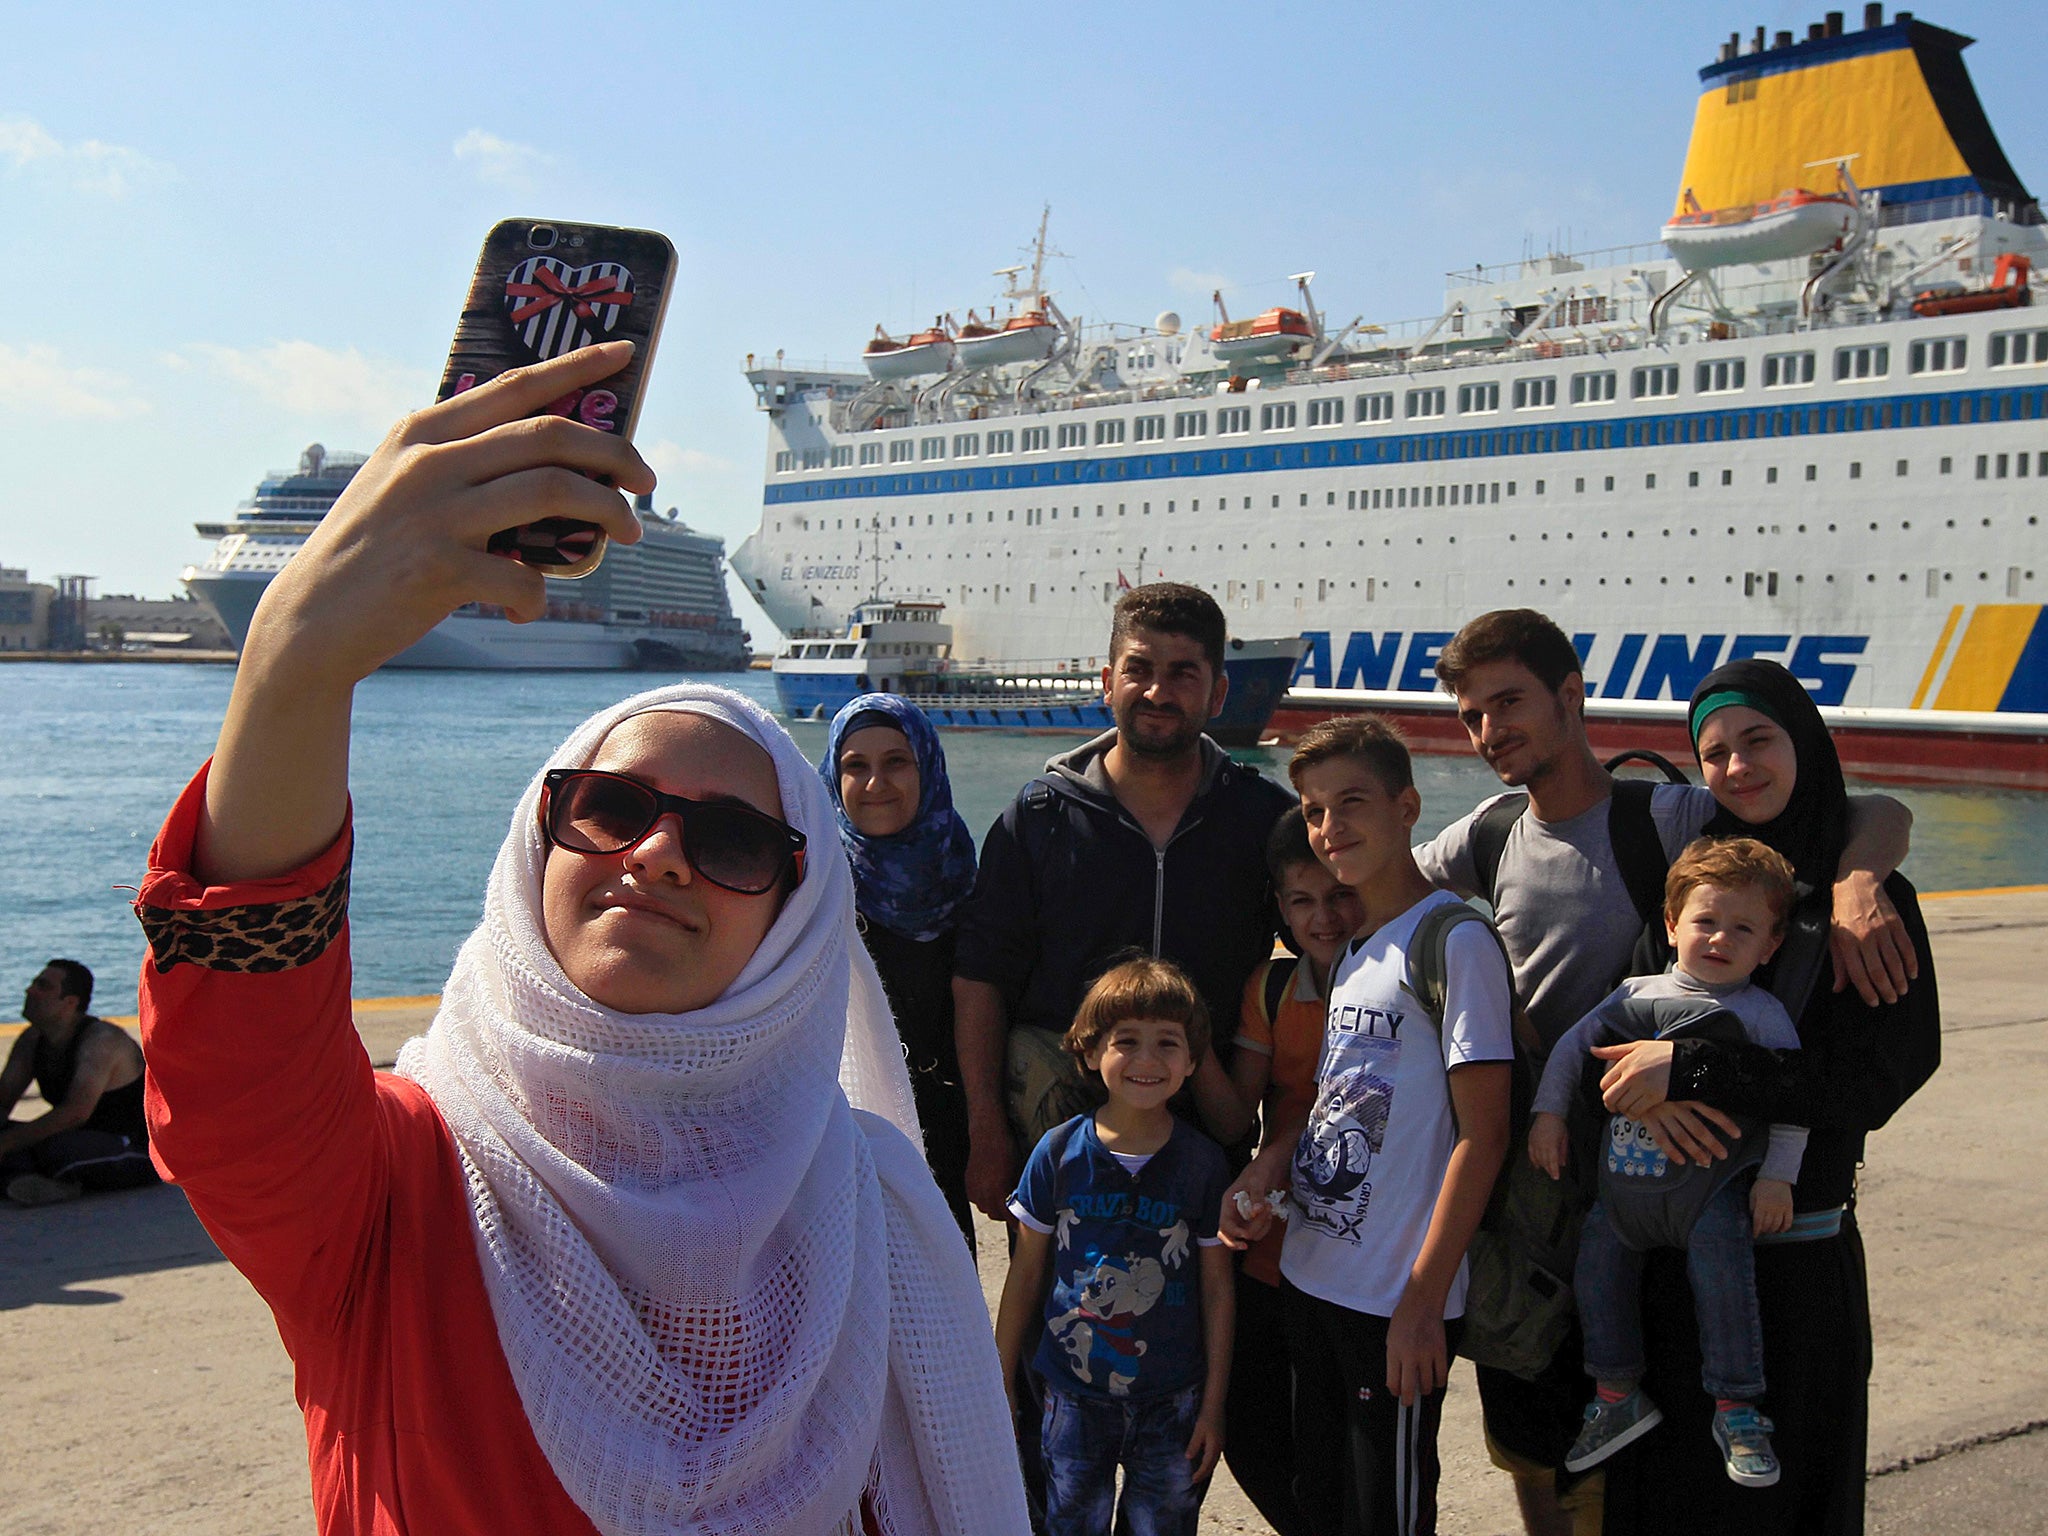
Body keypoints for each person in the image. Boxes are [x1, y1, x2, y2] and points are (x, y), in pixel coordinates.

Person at [134, 343, 1028, 1536]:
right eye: (608, 808)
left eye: (731, 840)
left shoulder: (871, 1205)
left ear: (798, 916)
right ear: (535, 844)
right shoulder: (392, 1193)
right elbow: (237, 1075)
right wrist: (294, 663)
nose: (655, 855)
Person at [1415, 609, 1915, 1536]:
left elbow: (1857, 808)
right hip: (1543, 1178)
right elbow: (1367, 887)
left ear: (1572, 694)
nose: (1490, 731)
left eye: (1510, 702)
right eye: (1472, 714)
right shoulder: (1485, 835)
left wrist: (1857, 881)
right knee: (1533, 1431)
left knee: (1662, 1446)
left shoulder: (1672, 815)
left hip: (1673, 1180)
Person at [1592, 658, 1942, 1536]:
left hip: (1797, 1265)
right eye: (1713, 753)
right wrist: (1652, 1090)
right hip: (1672, 1258)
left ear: (1805, 743)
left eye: (1758, 741)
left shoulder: (1871, 904)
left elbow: (1880, 1078)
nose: (1737, 767)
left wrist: (1695, 1073)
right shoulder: (1696, 890)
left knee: (1786, 1506)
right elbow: (1628, 1033)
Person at [1223, 715, 1514, 1536]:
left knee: (1385, 1509)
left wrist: (1422, 1301)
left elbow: (1481, 1137)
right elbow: (1338, 1106)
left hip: (1393, 1300)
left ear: (1408, 805)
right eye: (1314, 810)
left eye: (1351, 802)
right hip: (1313, 1283)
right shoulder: (1356, 951)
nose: (1330, 827)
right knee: (1322, 1505)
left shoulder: (1453, 941)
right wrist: (1266, 1177)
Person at [953, 582, 1293, 1214]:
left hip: (1206, 1159)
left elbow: (1327, 960)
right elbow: (980, 980)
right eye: (1139, 670)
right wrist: (986, 1129)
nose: (1158, 692)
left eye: (1182, 674)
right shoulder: (1037, 819)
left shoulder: (1265, 822)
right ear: (1109, 682)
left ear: (1217, 693)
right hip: (1058, 1154)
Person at [1528, 838, 1807, 1489]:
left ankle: (1738, 1407)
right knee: (1597, 1284)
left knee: (1725, 1290)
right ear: (1672, 924)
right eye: (1705, 921)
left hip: (1709, 1197)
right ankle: (1616, 1395)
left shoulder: (1762, 1016)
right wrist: (1549, 1115)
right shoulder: (1632, 994)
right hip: (1621, 1197)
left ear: (1770, 945)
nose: (1720, 938)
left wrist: (1776, 1178)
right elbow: (1572, 1052)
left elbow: (1793, 1102)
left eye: (1743, 928)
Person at [995, 957, 1235, 1536]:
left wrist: (1214, 1406)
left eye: (1168, 1044)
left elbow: (1217, 1289)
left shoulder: (1203, 1166)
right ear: (1089, 1050)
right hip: (1072, 1399)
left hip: (1173, 1403)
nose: (1148, 1060)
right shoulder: (1056, 1154)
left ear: (1193, 1060)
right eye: (1127, 1041)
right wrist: (999, 1378)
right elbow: (1025, 1274)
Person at [1213, 810, 1358, 1535]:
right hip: (1277, 1247)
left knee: (1342, 1447)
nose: (1323, 917)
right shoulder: (1271, 990)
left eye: (1338, 896)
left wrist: (1273, 1157)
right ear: (1279, 906)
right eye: (1302, 901)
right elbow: (1239, 1110)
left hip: (1363, 1252)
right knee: (1254, 1432)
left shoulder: (1405, 979)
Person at [820, 693, 979, 1243]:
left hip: (951, 1121)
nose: (874, 784)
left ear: (928, 767)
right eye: (854, 766)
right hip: (844, 1127)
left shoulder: (966, 876)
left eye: (895, 762)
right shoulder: (815, 888)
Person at [1, 960, 160, 1204]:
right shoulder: (32, 1040)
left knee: (54, 1149)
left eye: (42, 986)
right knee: (20, 1137)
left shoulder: (102, 1041)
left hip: (133, 1148)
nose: (29, 991)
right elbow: (3, 1102)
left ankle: (55, 1184)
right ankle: (29, 1182)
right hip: (75, 1137)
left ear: (70, 1002)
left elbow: (75, 1114)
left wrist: (6, 1144)